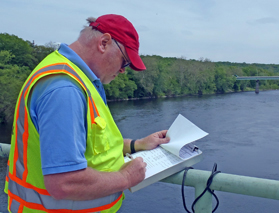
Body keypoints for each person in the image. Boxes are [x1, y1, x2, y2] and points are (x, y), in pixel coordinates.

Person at [4, 14, 170, 212]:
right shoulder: (65, 90)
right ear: (104, 43)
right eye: (125, 62)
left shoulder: (76, 78)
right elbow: (64, 183)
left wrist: (137, 145)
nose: (124, 71)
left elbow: (91, 147)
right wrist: (126, 178)